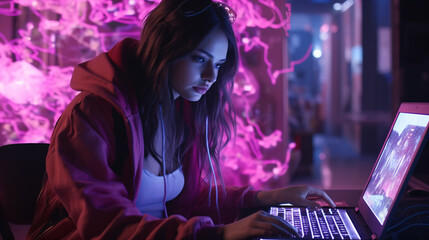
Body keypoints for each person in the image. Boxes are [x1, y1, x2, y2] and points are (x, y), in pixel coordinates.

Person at [27, 0, 335, 239]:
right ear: (164, 49)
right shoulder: (92, 114)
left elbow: (188, 198)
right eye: (199, 58)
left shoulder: (180, 107)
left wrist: (265, 197)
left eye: (219, 64)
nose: (211, 77)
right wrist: (220, 233)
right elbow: (107, 225)